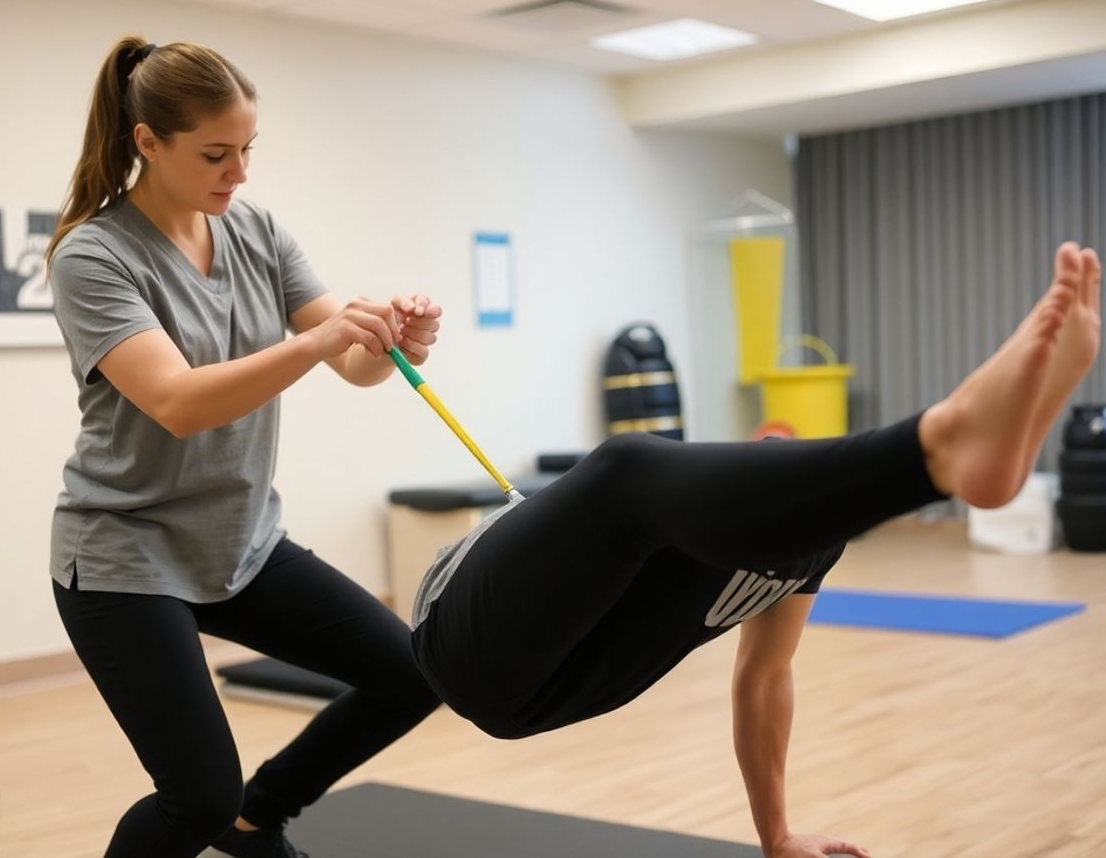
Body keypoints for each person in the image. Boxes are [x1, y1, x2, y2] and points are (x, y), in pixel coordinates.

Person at [410, 242, 1101, 858]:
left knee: (632, 469)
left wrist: (777, 836)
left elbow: (766, 676)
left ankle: (949, 447)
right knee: (628, 466)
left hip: (546, 696)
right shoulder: (694, 510)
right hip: (459, 634)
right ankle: (942, 447)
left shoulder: (810, 547)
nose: (777, 459)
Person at [44, 36, 442, 858]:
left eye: (247, 150)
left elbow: (360, 367)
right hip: (126, 555)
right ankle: (225, 812)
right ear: (147, 142)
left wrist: (403, 339)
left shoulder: (257, 229)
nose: (239, 173)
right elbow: (177, 403)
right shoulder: (94, 255)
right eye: (216, 154)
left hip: (241, 543)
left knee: (416, 672)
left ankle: (257, 818)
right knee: (193, 798)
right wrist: (322, 340)